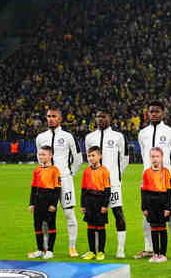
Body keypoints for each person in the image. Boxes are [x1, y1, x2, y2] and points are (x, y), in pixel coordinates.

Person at [135, 101, 171, 259]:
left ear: (163, 113)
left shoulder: (170, 132)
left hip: (166, 180)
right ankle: (149, 247)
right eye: (151, 111)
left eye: (157, 111)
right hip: (148, 180)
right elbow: (144, 155)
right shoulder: (143, 133)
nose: (154, 114)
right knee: (147, 214)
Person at [36, 108, 82, 257]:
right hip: (47, 183)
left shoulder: (68, 137)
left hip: (65, 181)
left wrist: (69, 174)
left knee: (69, 213)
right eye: (48, 116)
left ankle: (72, 247)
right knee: (45, 216)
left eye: (54, 116)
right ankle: (45, 248)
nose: (50, 119)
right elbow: (40, 157)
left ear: (60, 119)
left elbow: (78, 158)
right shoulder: (41, 137)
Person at [85, 109, 129, 258]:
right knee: (94, 217)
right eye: (98, 117)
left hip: (113, 184)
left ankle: (120, 249)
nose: (100, 119)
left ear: (110, 118)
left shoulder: (118, 137)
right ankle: (96, 250)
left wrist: (116, 176)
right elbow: (90, 159)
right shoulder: (90, 137)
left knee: (118, 213)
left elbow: (124, 159)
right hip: (94, 185)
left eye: (103, 117)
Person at [27, 145, 60, 259]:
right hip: (38, 202)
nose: (41, 157)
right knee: (37, 226)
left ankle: (50, 250)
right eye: (40, 154)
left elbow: (57, 190)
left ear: (50, 156)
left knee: (51, 225)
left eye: (43, 154)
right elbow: (33, 188)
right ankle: (40, 249)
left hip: (49, 201)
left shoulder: (55, 170)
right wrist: (31, 203)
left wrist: (54, 204)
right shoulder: (37, 170)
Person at [141, 147, 171, 263]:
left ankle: (163, 254)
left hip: (162, 202)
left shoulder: (166, 172)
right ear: (150, 158)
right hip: (151, 203)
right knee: (153, 228)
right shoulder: (147, 173)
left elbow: (170, 191)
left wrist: (167, 207)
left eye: (157, 156)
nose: (155, 159)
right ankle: (155, 253)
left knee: (162, 228)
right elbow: (143, 191)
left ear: (162, 157)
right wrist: (144, 207)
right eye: (152, 156)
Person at [80, 146, 111, 261]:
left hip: (100, 200)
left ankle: (101, 251)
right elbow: (83, 189)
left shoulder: (104, 171)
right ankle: (92, 251)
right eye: (89, 156)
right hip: (89, 201)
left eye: (93, 155)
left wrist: (105, 205)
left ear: (100, 156)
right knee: (90, 227)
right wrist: (83, 205)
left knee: (100, 227)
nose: (91, 158)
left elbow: (107, 190)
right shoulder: (86, 171)